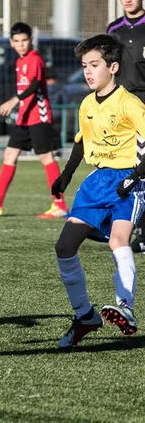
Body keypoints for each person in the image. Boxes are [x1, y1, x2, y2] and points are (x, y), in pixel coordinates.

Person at [51, 34, 145, 348]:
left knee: (119, 240)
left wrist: (134, 178)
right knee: (64, 247)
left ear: (113, 67)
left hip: (129, 181)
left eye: (94, 65)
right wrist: (66, 175)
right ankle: (85, 316)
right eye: (84, 66)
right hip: (97, 182)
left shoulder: (130, 103)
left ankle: (125, 307)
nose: (88, 72)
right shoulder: (87, 103)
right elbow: (82, 142)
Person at [0, 23, 68, 218]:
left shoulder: (34, 59)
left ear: (30, 40)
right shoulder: (20, 61)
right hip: (24, 117)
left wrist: (14, 100)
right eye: (17, 41)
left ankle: (59, 205)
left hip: (38, 116)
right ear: (11, 43)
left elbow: (34, 85)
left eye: (24, 40)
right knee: (9, 155)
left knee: (46, 158)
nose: (21, 44)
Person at [107, 0, 145, 252]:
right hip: (121, 105)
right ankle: (122, 228)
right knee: (124, 166)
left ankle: (142, 234)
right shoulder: (113, 29)